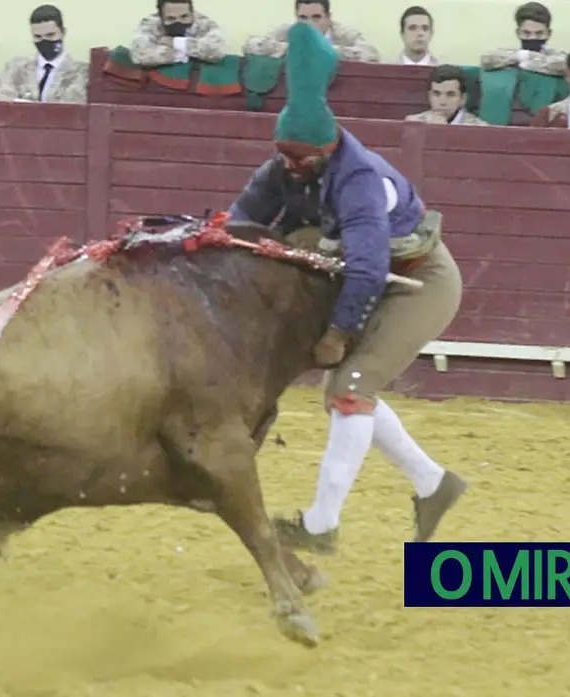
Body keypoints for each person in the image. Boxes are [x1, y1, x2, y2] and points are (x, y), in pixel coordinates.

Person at [227, 21, 467, 555]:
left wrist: (339, 331)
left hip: (422, 282)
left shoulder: (357, 178)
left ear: (325, 151)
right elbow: (242, 223)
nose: (290, 170)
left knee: (350, 388)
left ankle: (320, 526)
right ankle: (434, 485)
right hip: (385, 276)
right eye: (284, 158)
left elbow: (365, 267)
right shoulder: (290, 162)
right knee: (346, 390)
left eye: (300, 162)